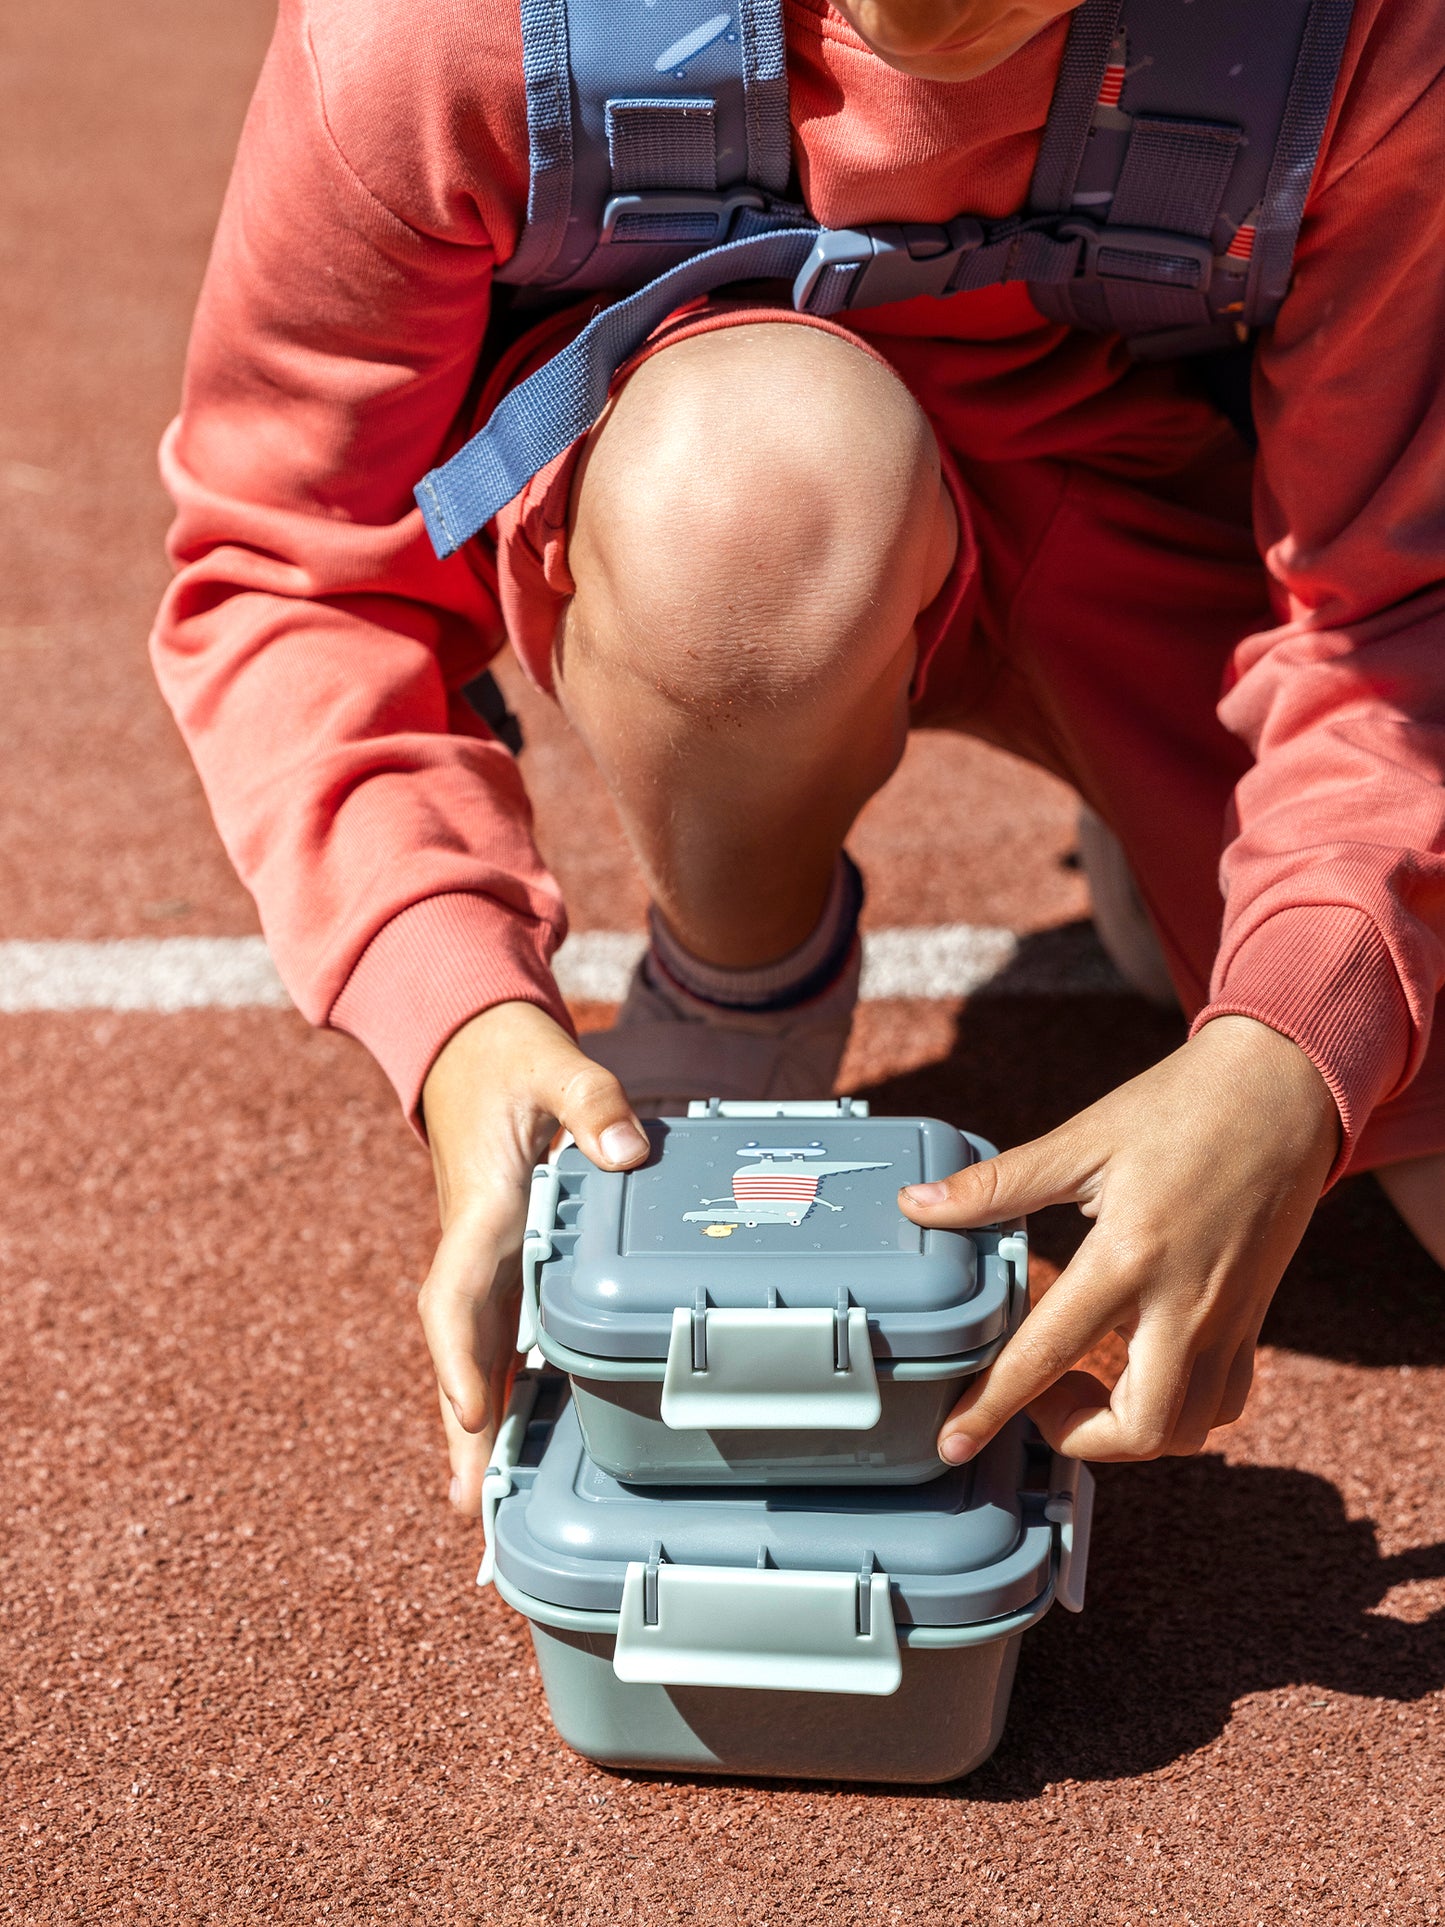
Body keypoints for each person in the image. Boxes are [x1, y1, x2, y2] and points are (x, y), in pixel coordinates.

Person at [152, 0, 1445, 1514]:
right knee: (749, 487)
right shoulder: (438, 30)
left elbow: (1404, 607)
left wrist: (1295, 1037)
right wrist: (452, 1013)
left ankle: (1187, 829)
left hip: (1194, 569)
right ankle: (741, 961)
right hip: (730, 508)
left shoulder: (1368, 33)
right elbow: (294, 571)